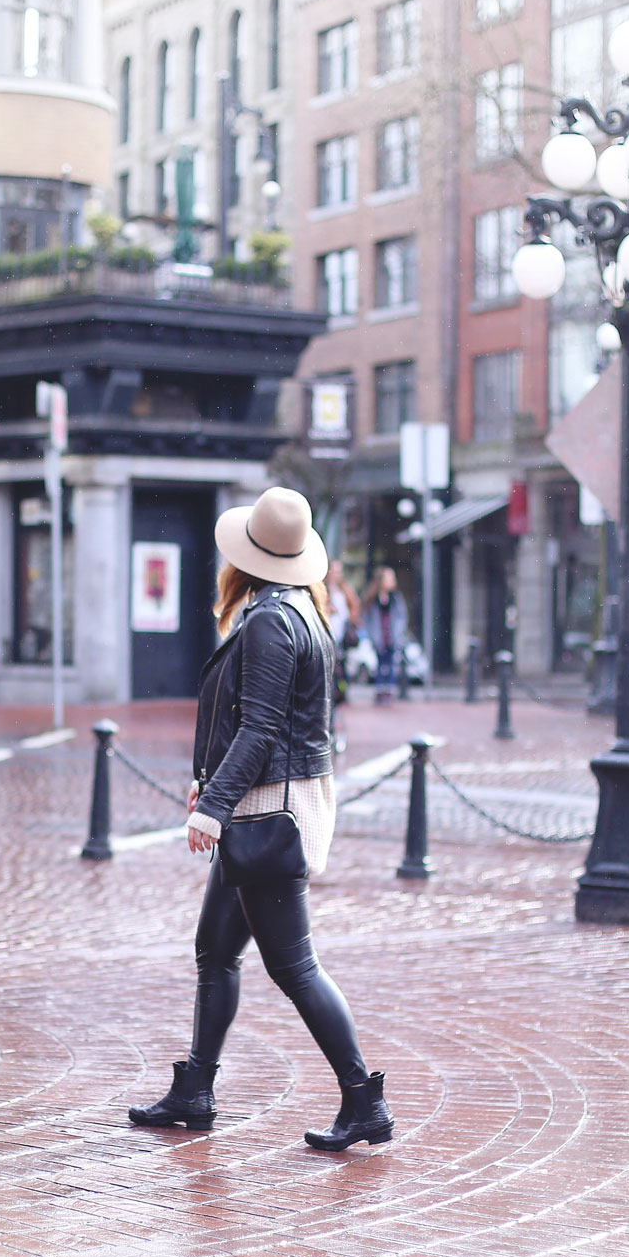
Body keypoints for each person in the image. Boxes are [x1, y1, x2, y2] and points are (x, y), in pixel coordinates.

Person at [128, 486, 393, 1152]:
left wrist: (214, 808)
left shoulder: (273, 621)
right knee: (215, 951)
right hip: (264, 806)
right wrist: (212, 789)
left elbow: (261, 727)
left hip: (266, 812)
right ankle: (195, 1091)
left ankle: (364, 1102)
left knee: (293, 964)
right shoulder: (295, 609)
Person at [324, 559, 360, 751]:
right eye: (333, 570)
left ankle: (334, 727)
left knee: (339, 690)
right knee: (327, 690)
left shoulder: (345, 592)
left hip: (340, 649)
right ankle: (328, 727)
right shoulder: (321, 592)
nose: (336, 574)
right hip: (326, 646)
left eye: (338, 570)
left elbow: (353, 612)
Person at [361, 566, 409, 705]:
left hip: (391, 636)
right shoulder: (372, 598)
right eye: (390, 578)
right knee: (379, 664)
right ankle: (379, 691)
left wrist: (398, 633)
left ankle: (389, 691)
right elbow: (366, 618)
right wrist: (371, 635)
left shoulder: (395, 598)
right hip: (378, 637)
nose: (393, 581)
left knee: (391, 664)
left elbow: (402, 616)